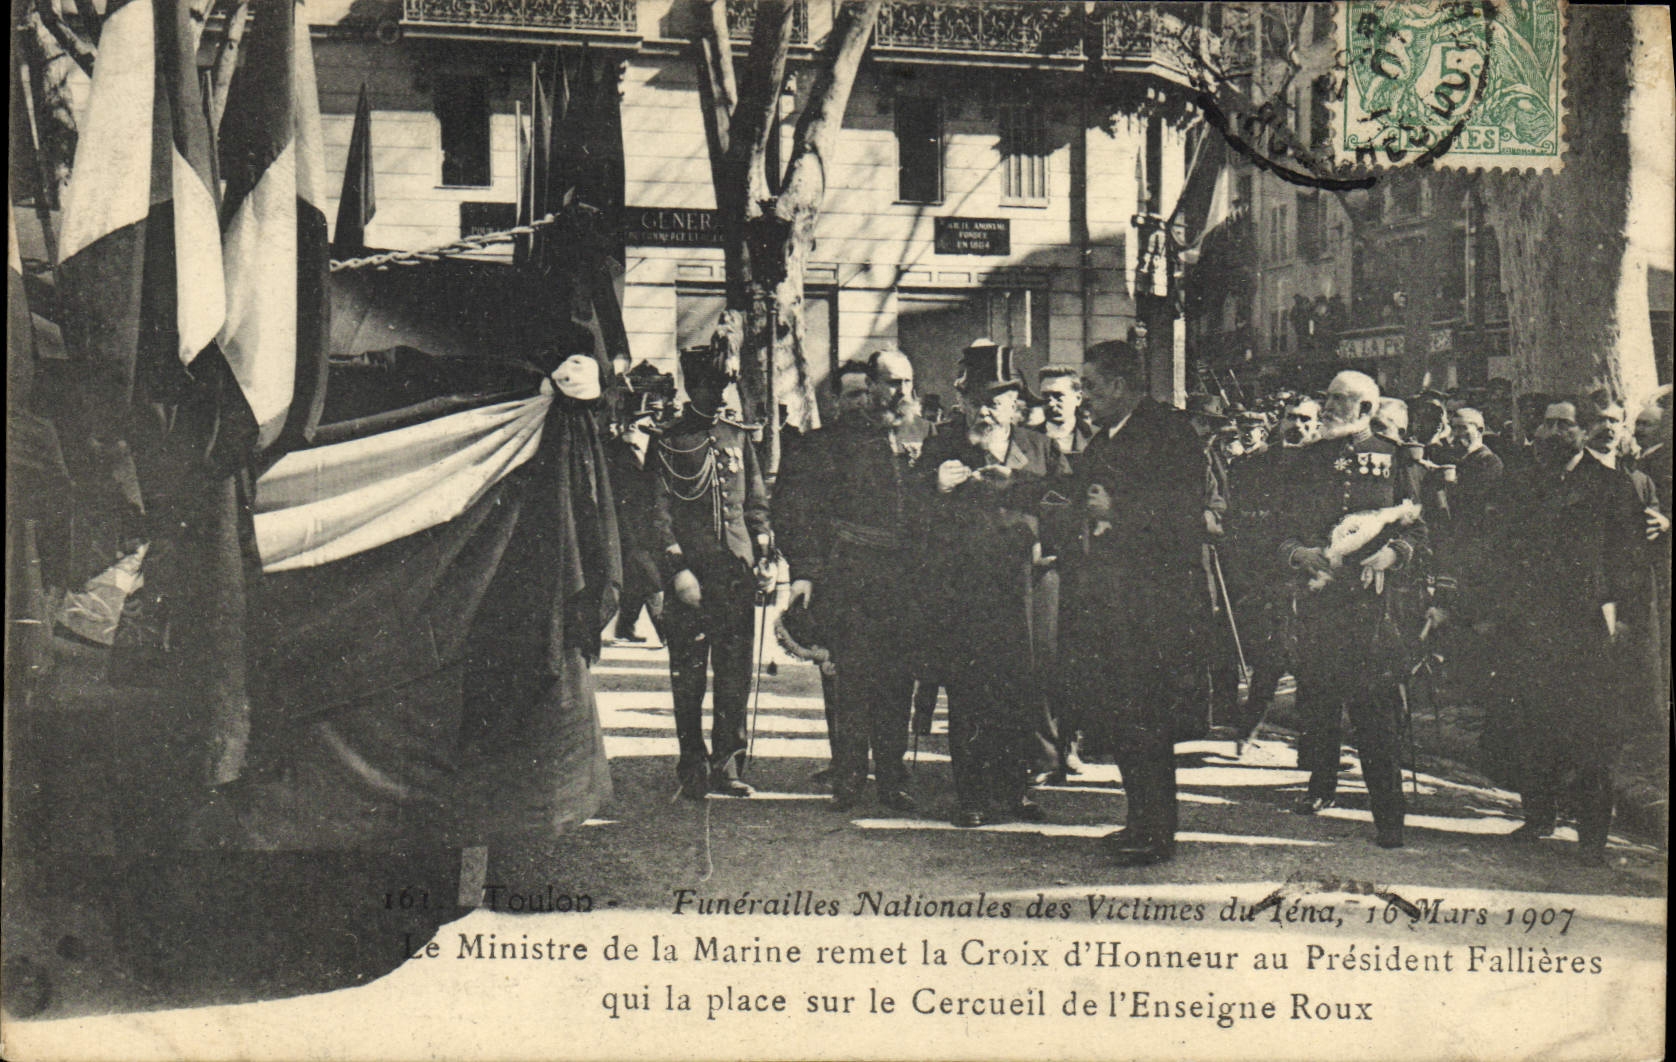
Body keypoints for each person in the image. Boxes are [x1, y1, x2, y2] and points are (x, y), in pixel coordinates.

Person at [1230, 370, 1424, 848]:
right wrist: (1297, 554)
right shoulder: (1304, 461)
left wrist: (1395, 553)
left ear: (1365, 410)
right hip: (1318, 604)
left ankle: (1388, 815)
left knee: (1375, 710)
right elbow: (1276, 528)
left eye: (1340, 400)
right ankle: (1320, 785)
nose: (1329, 406)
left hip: (1373, 609)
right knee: (1317, 701)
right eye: (1327, 398)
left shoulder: (1396, 459)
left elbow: (1423, 528)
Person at [1487, 399, 1651, 864]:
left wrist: (1626, 620)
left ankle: (1593, 836)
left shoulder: (1612, 487)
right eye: (1547, 424)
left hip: (1587, 628)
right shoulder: (1521, 484)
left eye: (1566, 424)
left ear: (1584, 432)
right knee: (1532, 724)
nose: (1554, 432)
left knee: (1589, 733)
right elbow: (1499, 550)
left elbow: (1630, 562)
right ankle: (1539, 816)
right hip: (1529, 626)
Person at [1061, 341, 1205, 866]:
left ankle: (1157, 833)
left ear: (1120, 387)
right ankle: (1137, 821)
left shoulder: (1170, 434)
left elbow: (1188, 515)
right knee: (1123, 720)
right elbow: (1074, 491)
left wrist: (1119, 511)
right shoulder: (1105, 440)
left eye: (1091, 388)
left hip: (1154, 612)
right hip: (1113, 610)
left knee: (1148, 721)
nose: (1085, 399)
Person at [775, 350, 926, 812]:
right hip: (852, 575)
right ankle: (849, 776)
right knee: (853, 679)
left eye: (907, 383)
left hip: (905, 578)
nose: (900, 393)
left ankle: (893, 777)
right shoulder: (829, 443)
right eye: (891, 384)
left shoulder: (922, 436)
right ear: (872, 387)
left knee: (899, 680)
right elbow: (796, 511)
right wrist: (805, 572)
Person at [920, 340, 1058, 828]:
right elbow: (912, 515)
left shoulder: (1039, 447)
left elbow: (1064, 506)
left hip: (1027, 588)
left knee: (1023, 685)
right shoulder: (940, 445)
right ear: (962, 401)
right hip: (966, 590)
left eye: (995, 400)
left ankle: (1017, 788)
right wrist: (935, 486)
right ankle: (973, 795)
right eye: (976, 399)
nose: (984, 410)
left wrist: (1034, 513)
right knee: (971, 689)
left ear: (1014, 405)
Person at [651, 340, 776, 800]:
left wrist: (765, 557)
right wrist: (678, 571)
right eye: (710, 386)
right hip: (693, 577)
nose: (721, 395)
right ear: (690, 385)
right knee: (689, 675)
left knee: (734, 673)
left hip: (737, 575)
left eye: (724, 385)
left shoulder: (736, 434)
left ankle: (728, 764)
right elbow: (656, 514)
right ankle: (692, 766)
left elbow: (756, 505)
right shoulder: (669, 439)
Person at [1031, 365, 1094, 782]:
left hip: (1088, 564)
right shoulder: (1028, 443)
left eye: (1060, 394)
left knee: (1081, 658)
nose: (1052, 402)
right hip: (1041, 566)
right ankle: (1043, 751)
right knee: (1043, 659)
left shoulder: (1096, 444)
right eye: (1046, 396)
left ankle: (1071, 745)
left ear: (1077, 398)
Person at [606, 390, 670, 644]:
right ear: (633, 424)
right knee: (652, 579)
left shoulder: (652, 448)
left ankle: (625, 626)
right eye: (648, 422)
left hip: (647, 525)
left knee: (638, 580)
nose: (653, 426)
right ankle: (667, 633)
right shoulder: (616, 452)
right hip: (627, 527)